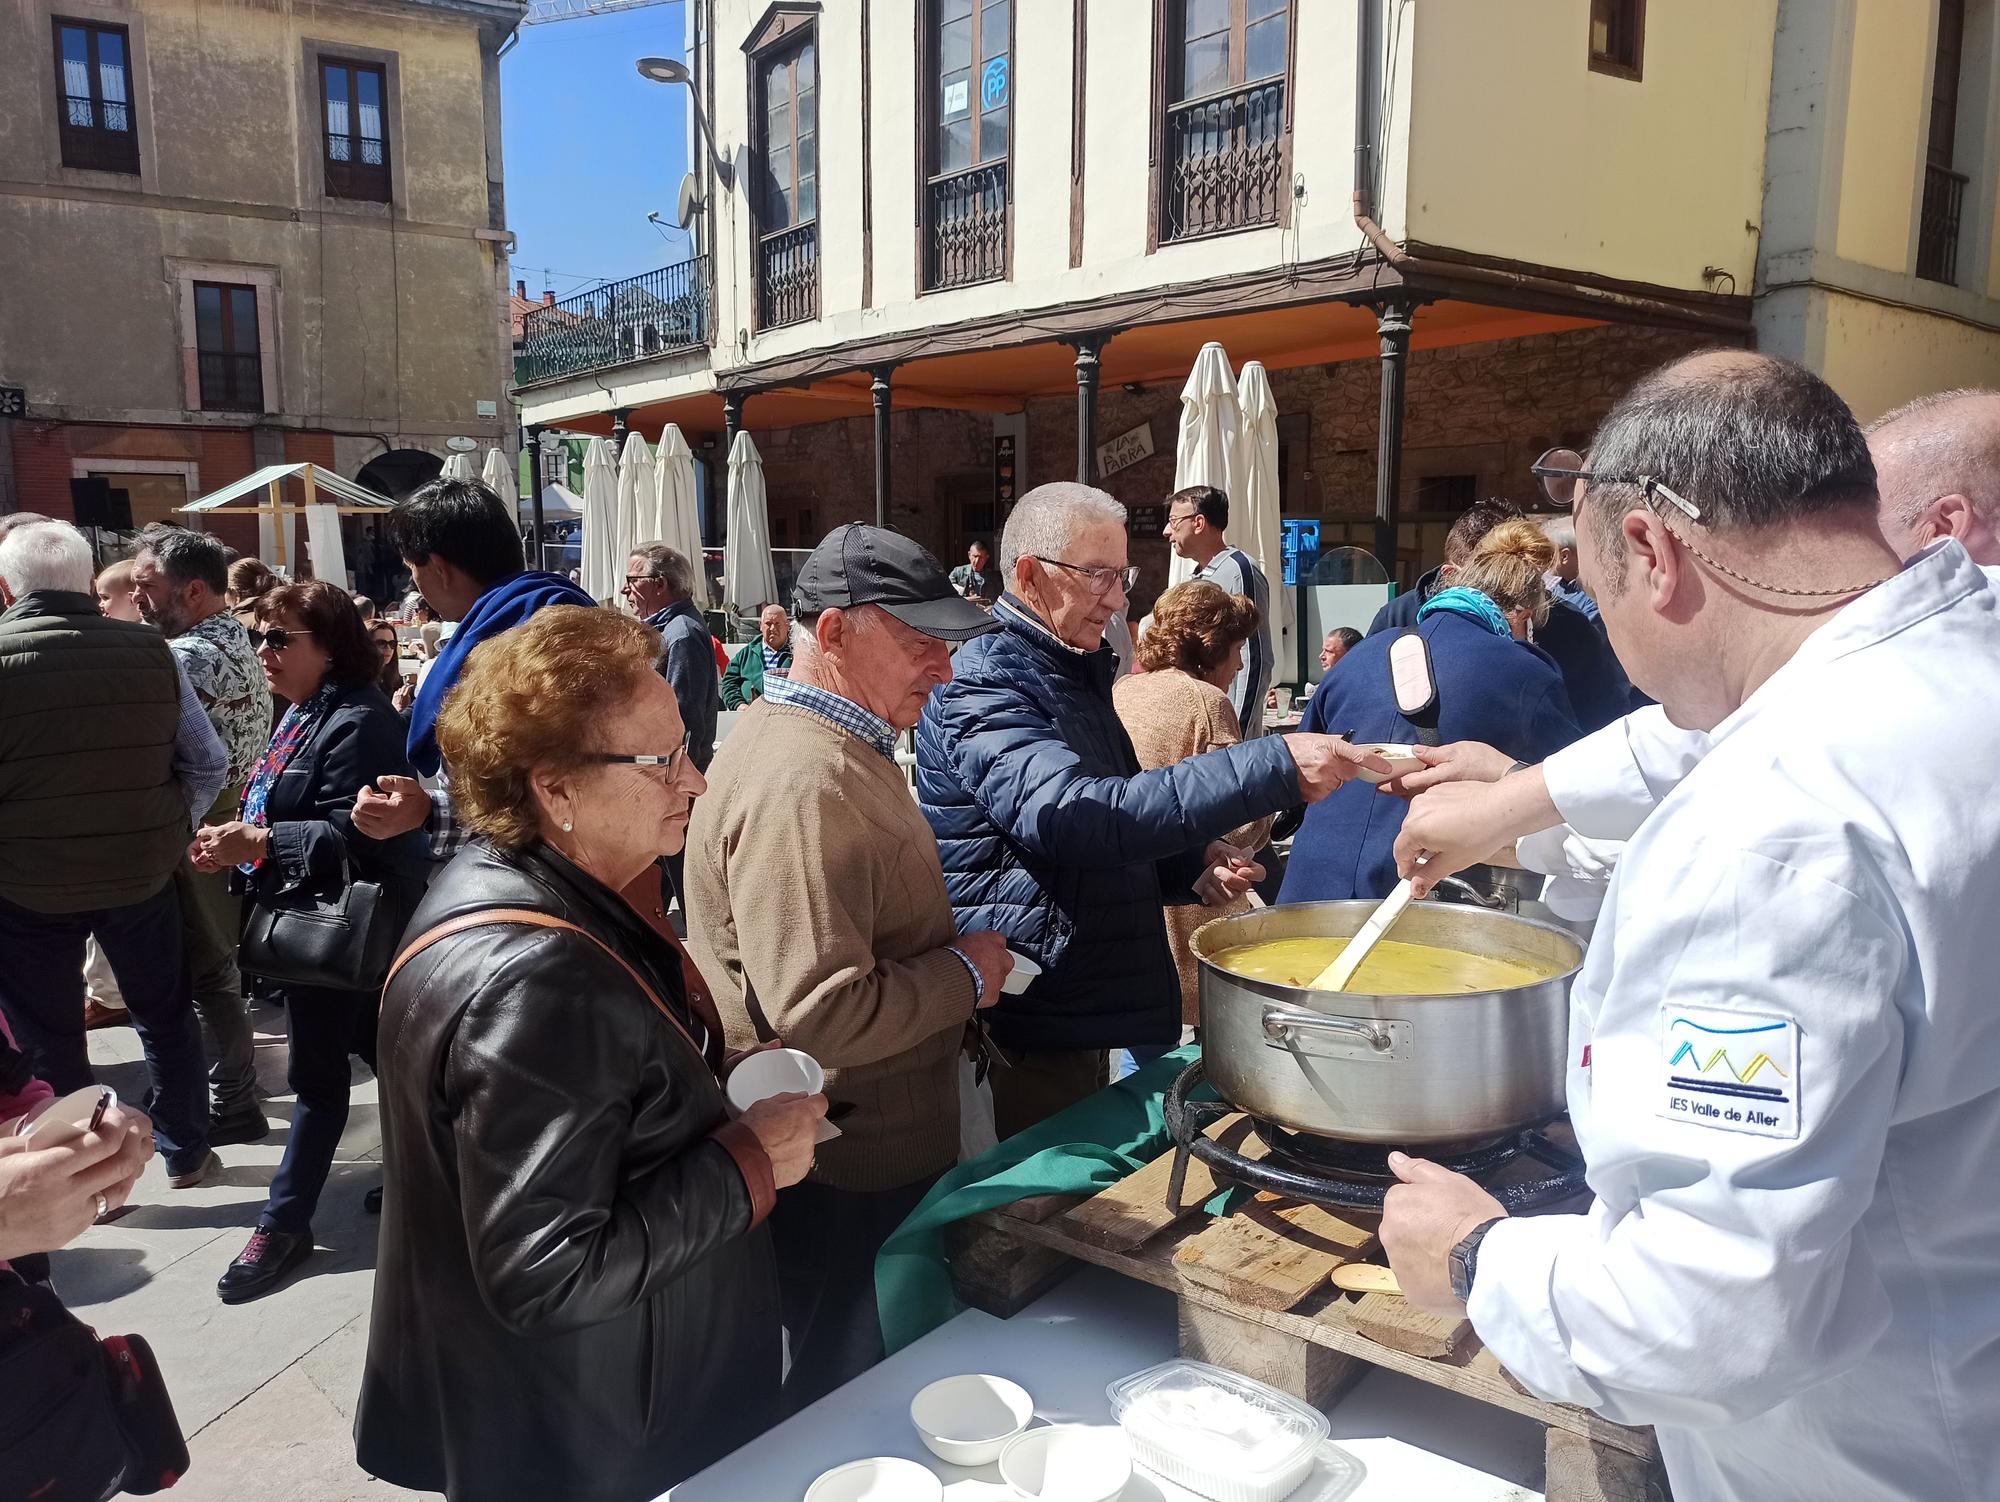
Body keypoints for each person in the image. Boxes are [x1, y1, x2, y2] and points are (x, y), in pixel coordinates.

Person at [1376, 352, 2000, 1502]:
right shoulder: (1959, 648)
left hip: (1873, 1455)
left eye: (1595, 588)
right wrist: (1513, 805)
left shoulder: (1769, 832)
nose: (1602, 628)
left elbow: (1705, 1315)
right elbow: (1697, 731)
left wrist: (1473, 1257)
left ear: (1655, 553)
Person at [356, 606, 822, 1502]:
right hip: (606, 1437)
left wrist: (693, 1081)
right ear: (555, 789)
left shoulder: (520, 881)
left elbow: (585, 1109)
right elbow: (548, 1268)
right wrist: (750, 1162)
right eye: (662, 763)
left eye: (687, 751)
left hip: (590, 1407)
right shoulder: (535, 973)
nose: (696, 781)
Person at [916, 483, 1387, 1137]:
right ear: (1030, 575)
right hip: (1038, 1018)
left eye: (1124, 575)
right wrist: (1274, 766)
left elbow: (1111, 823)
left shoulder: (1071, 672)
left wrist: (1188, 865)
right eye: (1099, 576)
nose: (1118, 598)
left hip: (1082, 1002)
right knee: (1045, 1214)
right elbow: (1074, 819)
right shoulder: (986, 684)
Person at [687, 525, 1009, 1411]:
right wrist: (969, 977)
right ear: (832, 634)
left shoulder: (816, 744)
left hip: (852, 1145)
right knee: (850, 1390)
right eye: (920, 645)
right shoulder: (804, 776)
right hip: (850, 1162)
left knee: (858, 1372)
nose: (941, 670)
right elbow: (823, 1011)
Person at [191, 580, 430, 1301]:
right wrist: (238, 845)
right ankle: (419, 1182)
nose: (263, 650)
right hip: (308, 930)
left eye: (279, 638)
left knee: (324, 1084)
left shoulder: (356, 721)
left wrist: (259, 840)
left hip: (344, 932)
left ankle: (284, 1220)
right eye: (261, 635)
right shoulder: (299, 714)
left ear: (329, 650)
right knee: (380, 1067)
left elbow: (360, 831)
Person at [0, 521, 218, 1189]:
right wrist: (171, 826)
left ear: (9, 588)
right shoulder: (151, 652)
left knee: (51, 1036)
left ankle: (90, 1177)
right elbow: (207, 762)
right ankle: (185, 1153)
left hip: (26, 885)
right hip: (141, 873)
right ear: (88, 578)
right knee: (165, 1016)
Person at [1280, 520, 1578, 903]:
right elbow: (1569, 790)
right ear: (1522, 615)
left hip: (1310, 882)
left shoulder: (1360, 656)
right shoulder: (1530, 674)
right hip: (1418, 891)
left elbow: (1305, 764)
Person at [347, 477, 593, 860]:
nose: (416, 583)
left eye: (413, 568)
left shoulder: (515, 640)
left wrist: (430, 813)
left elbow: (543, 793)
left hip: (537, 878)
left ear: (439, 568)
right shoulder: (556, 611)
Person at [132, 526, 273, 1147]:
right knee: (216, 967)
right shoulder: (232, 636)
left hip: (201, 822)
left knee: (207, 971)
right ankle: (229, 1089)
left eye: (146, 586)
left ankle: (231, 1100)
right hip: (227, 813)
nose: (138, 598)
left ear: (192, 590)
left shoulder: (185, 656)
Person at [1112, 580, 1275, 1028]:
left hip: (1133, 896)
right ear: (1212, 647)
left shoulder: (1122, 690)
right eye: (1237, 649)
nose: (1241, 663)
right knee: (1200, 1050)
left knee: (1139, 1053)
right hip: (1195, 894)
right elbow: (1238, 820)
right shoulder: (1208, 703)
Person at [1369, 500, 1631, 733]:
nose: (1519, 603)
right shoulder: (1397, 619)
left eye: (1528, 582)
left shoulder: (1569, 628)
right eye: (1494, 587)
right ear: (1451, 576)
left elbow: (1604, 727)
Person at [1161, 486, 1272, 736]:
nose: (1167, 531)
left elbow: (1256, 657)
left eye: (1174, 521)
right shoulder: (1197, 577)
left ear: (1198, 522)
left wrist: (1236, 734)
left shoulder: (1239, 570)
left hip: (1226, 735)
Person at [623, 543, 721, 772]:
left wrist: (673, 780)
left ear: (660, 584)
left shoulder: (681, 634)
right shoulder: (673, 629)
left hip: (673, 778)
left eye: (632, 580)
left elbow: (683, 723)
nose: (624, 590)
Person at [720, 602, 793, 708]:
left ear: (787, 626)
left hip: (785, 715)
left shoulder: (797, 654)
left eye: (778, 623)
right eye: (768, 623)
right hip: (750, 715)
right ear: (761, 627)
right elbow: (729, 682)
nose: (772, 628)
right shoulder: (746, 653)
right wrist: (738, 704)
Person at [1535, 513, 1599, 625]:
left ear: (1565, 556)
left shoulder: (1593, 602)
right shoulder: (1557, 587)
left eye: (1548, 552)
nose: (1543, 559)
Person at [949, 540, 998, 608]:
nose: (977, 561)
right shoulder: (958, 572)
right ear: (969, 555)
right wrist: (965, 599)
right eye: (975, 556)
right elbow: (947, 591)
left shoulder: (993, 577)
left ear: (986, 558)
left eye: (981, 558)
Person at [369, 619, 404, 699]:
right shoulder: (360, 683)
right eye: (381, 643)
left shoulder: (395, 679)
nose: (388, 648)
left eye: (392, 643)